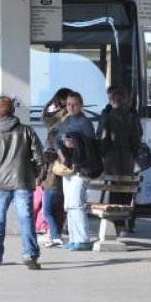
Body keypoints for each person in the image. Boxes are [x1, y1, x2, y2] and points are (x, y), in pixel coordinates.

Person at [0, 96, 44, 270]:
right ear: (13, 111)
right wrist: (37, 175)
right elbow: (39, 157)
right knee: (25, 218)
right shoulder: (27, 131)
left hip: (0, 183)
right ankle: (30, 254)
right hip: (23, 180)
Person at [54, 91, 96, 251]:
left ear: (81, 105)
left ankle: (83, 239)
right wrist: (61, 154)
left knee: (77, 203)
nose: (71, 107)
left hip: (81, 168)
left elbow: (91, 145)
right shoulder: (65, 121)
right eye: (69, 104)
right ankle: (73, 238)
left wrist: (75, 143)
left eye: (75, 104)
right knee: (69, 204)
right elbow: (56, 140)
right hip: (68, 167)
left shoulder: (85, 123)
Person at [97, 87, 141, 234]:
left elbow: (103, 139)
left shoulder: (107, 117)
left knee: (113, 188)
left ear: (111, 100)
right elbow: (137, 139)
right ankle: (123, 222)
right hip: (128, 158)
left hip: (111, 159)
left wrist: (100, 155)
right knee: (127, 188)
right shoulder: (131, 117)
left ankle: (116, 223)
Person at [37, 87, 71, 247]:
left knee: (48, 208)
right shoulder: (69, 117)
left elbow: (44, 117)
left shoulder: (59, 119)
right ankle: (54, 234)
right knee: (58, 206)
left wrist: (51, 102)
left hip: (53, 167)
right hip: (64, 167)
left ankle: (55, 235)